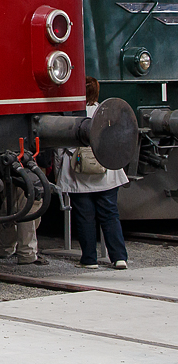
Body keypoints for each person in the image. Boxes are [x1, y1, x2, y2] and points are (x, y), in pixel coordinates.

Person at [54, 77, 129, 270]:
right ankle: (119, 257)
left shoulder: (70, 116)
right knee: (110, 213)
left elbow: (59, 148)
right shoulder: (106, 113)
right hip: (106, 172)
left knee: (85, 217)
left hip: (77, 172)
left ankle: (89, 259)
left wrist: (57, 173)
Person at [0, 174, 46, 265]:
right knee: (28, 207)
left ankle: (5, 248)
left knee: (9, 204)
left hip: (8, 171)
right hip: (26, 172)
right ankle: (27, 254)